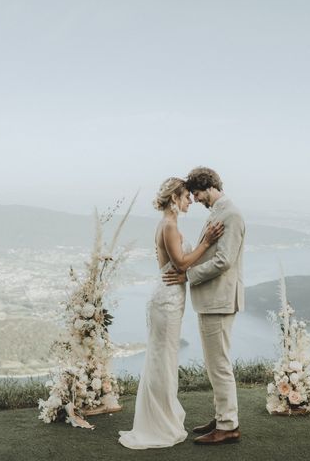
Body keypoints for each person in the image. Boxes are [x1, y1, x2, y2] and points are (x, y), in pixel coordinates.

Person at [118, 177, 224, 450]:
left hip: (170, 298)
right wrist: (207, 241)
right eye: (187, 196)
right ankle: (157, 424)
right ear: (174, 198)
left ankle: (161, 417)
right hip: (166, 300)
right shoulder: (168, 225)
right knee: (162, 359)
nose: (190, 200)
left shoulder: (170, 224)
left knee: (164, 357)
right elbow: (181, 262)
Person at [163, 166, 245, 445]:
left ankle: (228, 425)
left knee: (219, 365)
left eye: (197, 194)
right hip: (212, 300)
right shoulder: (219, 213)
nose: (195, 200)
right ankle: (222, 416)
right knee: (214, 364)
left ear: (209, 187)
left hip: (219, 301)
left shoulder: (231, 214)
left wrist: (187, 275)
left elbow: (224, 261)